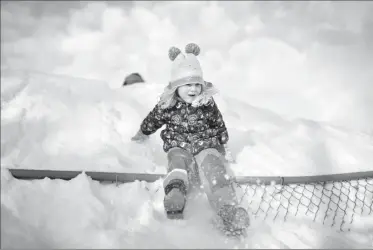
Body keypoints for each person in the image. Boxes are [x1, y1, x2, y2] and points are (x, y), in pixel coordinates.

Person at [131, 43, 249, 234]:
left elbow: (217, 122)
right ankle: (175, 195)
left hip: (206, 145)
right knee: (177, 164)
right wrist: (142, 133)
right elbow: (152, 120)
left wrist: (223, 145)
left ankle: (228, 210)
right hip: (178, 146)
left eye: (196, 84)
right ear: (176, 86)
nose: (193, 89)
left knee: (214, 169)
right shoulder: (167, 105)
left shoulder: (206, 102)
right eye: (187, 84)